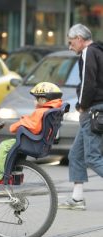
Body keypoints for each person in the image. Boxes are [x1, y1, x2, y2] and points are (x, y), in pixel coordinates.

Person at [58, 23, 103, 211]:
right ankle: (77, 199)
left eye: (71, 42)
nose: (70, 47)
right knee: (75, 155)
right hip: (98, 109)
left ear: (79, 38)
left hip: (93, 110)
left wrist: (82, 105)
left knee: (92, 157)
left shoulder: (88, 53)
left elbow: (87, 83)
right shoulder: (100, 51)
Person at [0, 82, 63, 185]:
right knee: (12, 149)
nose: (34, 101)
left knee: (4, 146)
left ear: (43, 100)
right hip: (39, 142)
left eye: (36, 98)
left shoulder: (40, 112)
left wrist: (18, 124)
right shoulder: (53, 109)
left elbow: (34, 127)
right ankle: (16, 171)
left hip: (32, 141)